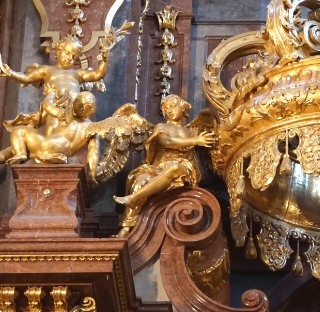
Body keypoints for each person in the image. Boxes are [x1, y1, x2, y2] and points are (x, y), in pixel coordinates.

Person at [113, 95, 217, 237]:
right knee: (140, 181)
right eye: (166, 108)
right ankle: (126, 228)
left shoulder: (193, 131)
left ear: (183, 107)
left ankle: (133, 198)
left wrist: (199, 139)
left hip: (183, 167)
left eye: (173, 106)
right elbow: (166, 141)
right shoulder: (161, 127)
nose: (169, 110)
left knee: (174, 168)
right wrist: (195, 141)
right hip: (158, 167)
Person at [0, 35, 110, 134]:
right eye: (67, 53)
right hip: (54, 106)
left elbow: (97, 74)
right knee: (52, 127)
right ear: (58, 51)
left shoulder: (77, 74)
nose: (69, 58)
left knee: (86, 132)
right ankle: (49, 152)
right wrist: (11, 73)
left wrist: (105, 60)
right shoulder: (47, 70)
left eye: (73, 57)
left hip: (75, 110)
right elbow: (27, 78)